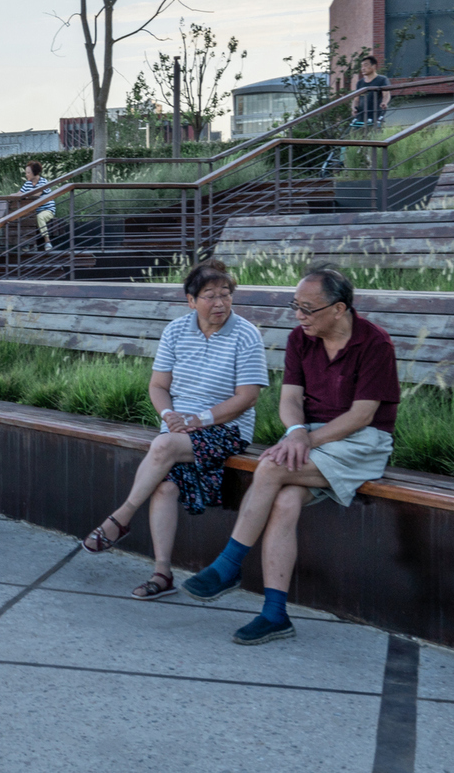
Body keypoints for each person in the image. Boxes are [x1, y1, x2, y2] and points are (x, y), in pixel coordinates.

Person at [182, 265, 400, 645]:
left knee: (270, 468)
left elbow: (362, 415)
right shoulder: (301, 339)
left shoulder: (374, 343)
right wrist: (297, 432)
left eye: (307, 308)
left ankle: (230, 565)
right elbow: (290, 400)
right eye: (295, 306)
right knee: (283, 501)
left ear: (339, 308)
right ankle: (275, 615)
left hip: (362, 441)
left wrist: (304, 442)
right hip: (313, 437)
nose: (298, 316)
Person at [80, 261, 267, 602]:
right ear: (191, 300)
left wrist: (201, 418)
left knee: (163, 446)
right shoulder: (176, 331)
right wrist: (169, 413)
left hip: (226, 430)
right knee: (165, 488)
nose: (220, 303)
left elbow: (248, 397)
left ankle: (120, 518)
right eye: (210, 296)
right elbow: (158, 386)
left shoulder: (245, 334)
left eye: (226, 295)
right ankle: (162, 573)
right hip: (179, 430)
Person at [17, 160, 56, 247]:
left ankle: (47, 241)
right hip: (34, 211)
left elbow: (36, 195)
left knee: (40, 217)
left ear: (34, 173)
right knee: (24, 218)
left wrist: (24, 195)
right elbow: (19, 193)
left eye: (28, 172)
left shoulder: (43, 182)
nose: (26, 174)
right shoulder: (27, 183)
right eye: (26, 172)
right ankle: (27, 244)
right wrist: (11, 196)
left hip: (47, 210)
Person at [351, 55, 391, 128]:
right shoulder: (360, 83)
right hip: (361, 116)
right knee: (357, 137)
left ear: (374, 66)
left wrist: (384, 102)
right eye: (362, 66)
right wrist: (354, 108)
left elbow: (386, 94)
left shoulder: (382, 79)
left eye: (366, 65)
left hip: (375, 116)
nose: (363, 68)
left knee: (374, 136)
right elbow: (356, 99)